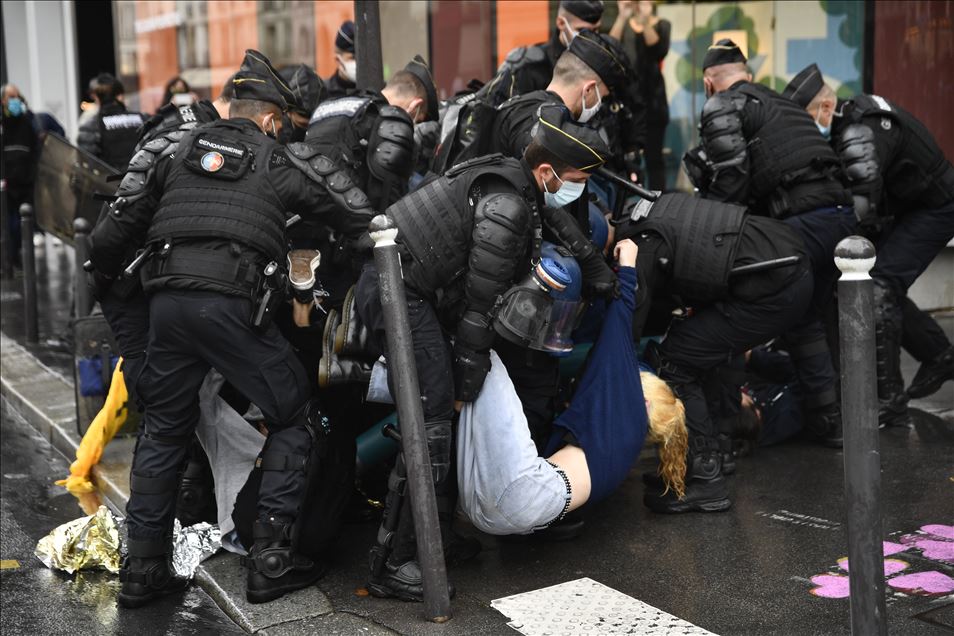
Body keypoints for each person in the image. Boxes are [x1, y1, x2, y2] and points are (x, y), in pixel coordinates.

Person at [87, 52, 365, 608]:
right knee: (293, 412)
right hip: (233, 308)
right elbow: (346, 210)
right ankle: (271, 562)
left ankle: (142, 573)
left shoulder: (176, 149)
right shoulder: (273, 158)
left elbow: (107, 239)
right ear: (268, 119)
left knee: (165, 428)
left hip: (167, 306)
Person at [353, 105, 611, 601]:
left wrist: (594, 267)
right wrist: (462, 389)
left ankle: (436, 536)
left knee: (442, 411)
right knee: (431, 418)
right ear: (545, 172)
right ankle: (396, 561)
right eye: (575, 179)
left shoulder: (515, 181)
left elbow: (555, 218)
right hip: (396, 290)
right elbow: (478, 313)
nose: (576, 188)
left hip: (409, 287)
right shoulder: (508, 208)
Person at [684, 40, 855, 448]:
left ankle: (724, 429)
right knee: (804, 321)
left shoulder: (722, 104)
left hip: (801, 221)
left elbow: (732, 178)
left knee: (739, 309)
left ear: (710, 83)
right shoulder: (780, 102)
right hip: (839, 216)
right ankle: (828, 422)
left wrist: (703, 235)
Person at [457, 238, 688, 535]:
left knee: (479, 352)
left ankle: (381, 378)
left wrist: (628, 265)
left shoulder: (629, 408)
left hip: (524, 492)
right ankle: (382, 383)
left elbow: (620, 329)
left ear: (644, 404)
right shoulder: (623, 446)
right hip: (500, 515)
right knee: (469, 389)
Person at [614, 190, 813, 513]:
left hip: (772, 286)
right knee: (700, 349)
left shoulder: (640, 247)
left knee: (674, 361)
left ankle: (705, 474)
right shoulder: (652, 213)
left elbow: (627, 334)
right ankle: (711, 454)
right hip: (781, 267)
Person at [782, 64, 954, 425]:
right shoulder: (847, 123)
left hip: (934, 206)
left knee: (876, 287)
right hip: (905, 206)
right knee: (874, 280)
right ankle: (938, 353)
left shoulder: (860, 130)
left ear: (825, 109)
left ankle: (888, 400)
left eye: (806, 121)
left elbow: (860, 203)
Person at [610, 0, 670, 191]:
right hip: (626, 101)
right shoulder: (623, 24)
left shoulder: (662, 24)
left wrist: (644, 20)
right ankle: (623, 206)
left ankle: (658, 201)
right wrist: (622, 16)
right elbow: (609, 47)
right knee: (622, 158)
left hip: (653, 101)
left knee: (654, 158)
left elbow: (658, 51)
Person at [77, 73, 146, 171]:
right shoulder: (142, 119)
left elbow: (86, 164)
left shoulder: (91, 125)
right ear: (120, 97)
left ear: (97, 98)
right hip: (142, 182)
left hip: (109, 184)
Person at [1, 84, 37, 265]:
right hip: (6, 183)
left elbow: (35, 148)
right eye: (10, 97)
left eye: (16, 96)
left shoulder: (27, 120)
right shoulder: (2, 123)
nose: (13, 100)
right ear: (3, 100)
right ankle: (11, 259)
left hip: (25, 181)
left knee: (25, 224)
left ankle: (22, 260)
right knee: (10, 224)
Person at [326, 20, 357, 99]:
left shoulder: (375, 90)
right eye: (353, 58)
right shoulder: (324, 93)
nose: (358, 63)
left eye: (360, 58)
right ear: (338, 60)